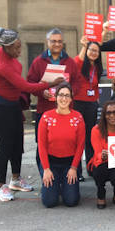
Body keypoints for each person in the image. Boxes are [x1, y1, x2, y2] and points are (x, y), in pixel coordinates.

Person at [0, 28, 61, 201]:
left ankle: (16, 179)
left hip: (13, 105)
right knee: (5, 147)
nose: (19, 51)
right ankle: (1, 186)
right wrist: (50, 83)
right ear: (6, 47)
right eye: (16, 48)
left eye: (20, 46)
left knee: (17, 146)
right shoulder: (2, 65)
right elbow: (26, 87)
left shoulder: (9, 57)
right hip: (0, 106)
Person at [27, 28, 78, 166]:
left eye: (60, 41)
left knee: (68, 142)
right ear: (47, 42)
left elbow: (77, 83)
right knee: (42, 144)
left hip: (66, 112)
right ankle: (45, 173)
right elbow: (30, 83)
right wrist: (41, 91)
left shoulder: (70, 62)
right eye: (53, 41)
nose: (57, 44)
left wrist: (70, 93)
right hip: (44, 110)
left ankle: (71, 174)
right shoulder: (38, 62)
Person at [37, 83, 84, 207]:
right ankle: (54, 186)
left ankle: (64, 186)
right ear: (56, 97)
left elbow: (80, 146)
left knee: (71, 201)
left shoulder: (78, 117)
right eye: (61, 95)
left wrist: (74, 168)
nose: (64, 99)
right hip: (50, 163)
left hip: (69, 164)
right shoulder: (46, 117)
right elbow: (41, 145)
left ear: (71, 99)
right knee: (49, 202)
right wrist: (46, 169)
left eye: (67, 96)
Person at [72, 37, 103, 176]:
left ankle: (91, 167)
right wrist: (84, 46)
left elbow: (95, 85)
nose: (94, 53)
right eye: (91, 50)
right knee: (78, 137)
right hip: (78, 103)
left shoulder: (97, 67)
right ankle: (76, 171)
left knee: (90, 137)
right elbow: (77, 60)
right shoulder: (79, 64)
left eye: (96, 51)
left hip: (91, 104)